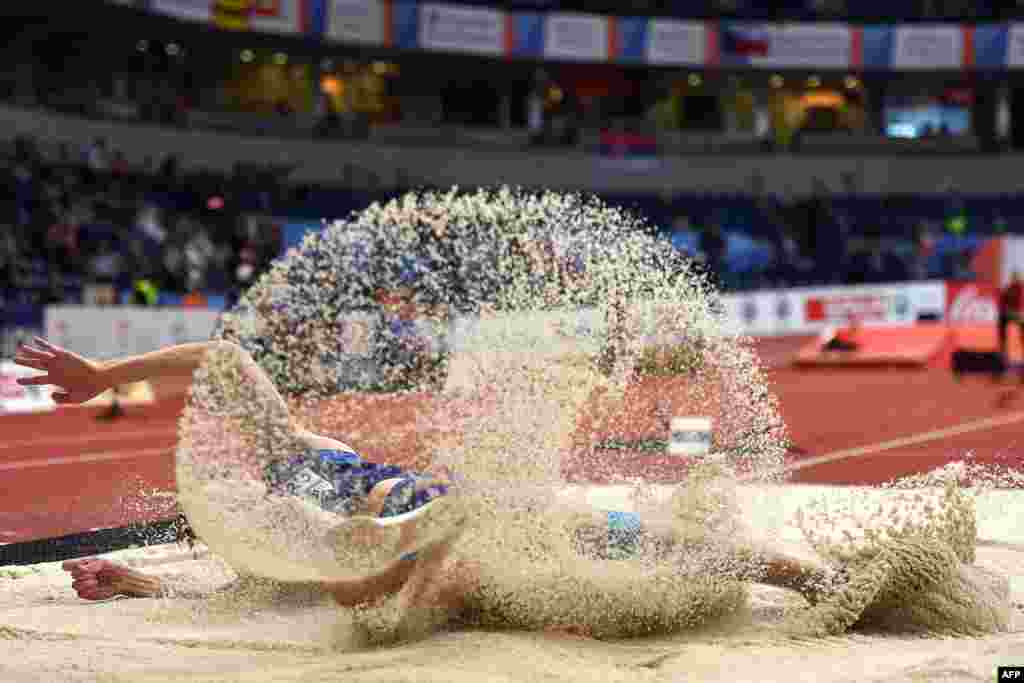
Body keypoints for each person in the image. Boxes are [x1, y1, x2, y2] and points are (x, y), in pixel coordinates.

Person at [16, 338, 837, 620]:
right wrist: (132, 582)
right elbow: (226, 604)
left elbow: (222, 361)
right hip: (417, 561)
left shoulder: (292, 447)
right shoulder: (268, 549)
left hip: (452, 516)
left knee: (592, 530)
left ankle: (810, 578)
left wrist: (103, 375)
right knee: (396, 582)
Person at [998, 271, 1024, 377]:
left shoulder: (1018, 289)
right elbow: (1002, 305)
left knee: (1003, 321)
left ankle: (1003, 352)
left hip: (1017, 315)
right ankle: (1003, 354)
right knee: (1002, 321)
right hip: (1013, 315)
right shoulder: (1008, 289)